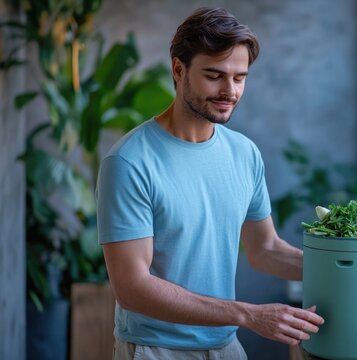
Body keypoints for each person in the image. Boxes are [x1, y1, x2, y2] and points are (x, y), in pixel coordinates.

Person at [96, 6, 324, 360]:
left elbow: (264, 250)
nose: (229, 91)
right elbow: (132, 288)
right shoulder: (129, 162)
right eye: (214, 75)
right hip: (156, 351)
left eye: (239, 77)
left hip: (225, 348)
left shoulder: (244, 154)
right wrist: (247, 314)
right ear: (178, 69)